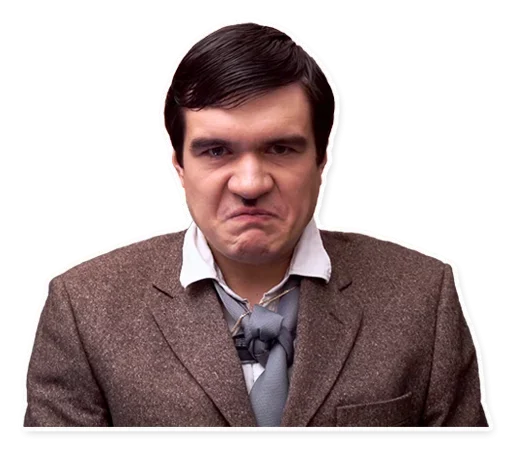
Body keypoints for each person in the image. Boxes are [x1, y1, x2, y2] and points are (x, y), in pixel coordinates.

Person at [24, 20, 491, 428]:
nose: (250, 184)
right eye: (216, 151)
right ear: (178, 166)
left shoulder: (424, 296)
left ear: (322, 160)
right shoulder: (83, 309)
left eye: (281, 148)